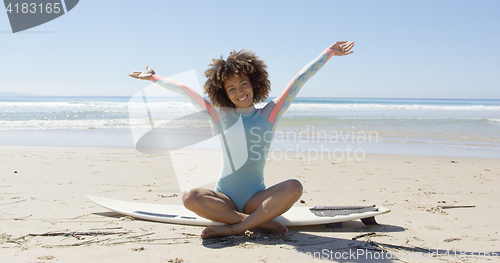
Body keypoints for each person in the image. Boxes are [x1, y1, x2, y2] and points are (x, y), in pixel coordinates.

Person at [129, 41, 354, 238]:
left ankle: (235, 227)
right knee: (189, 197)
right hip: (223, 197)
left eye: (243, 84)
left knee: (294, 187)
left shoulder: (270, 113)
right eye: (232, 88)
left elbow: (298, 81)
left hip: (256, 197)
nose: (240, 91)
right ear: (224, 94)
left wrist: (329, 52)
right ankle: (258, 221)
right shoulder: (220, 115)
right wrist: (153, 77)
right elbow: (187, 91)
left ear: (254, 83)